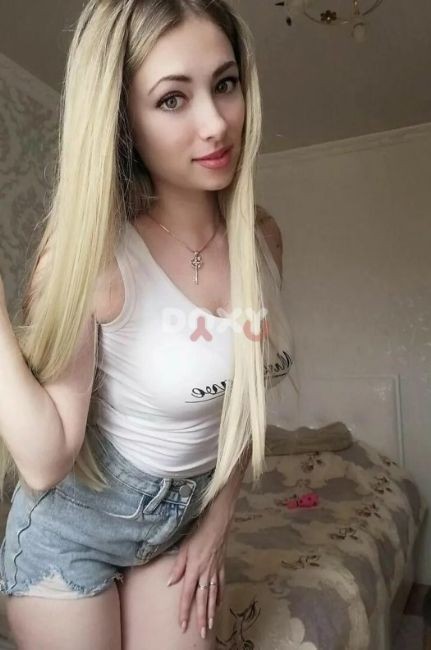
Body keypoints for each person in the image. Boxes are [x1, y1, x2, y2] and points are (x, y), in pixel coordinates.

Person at [0, 1, 297, 648]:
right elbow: (46, 461)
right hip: (73, 531)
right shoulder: (97, 259)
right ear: (123, 121)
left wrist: (216, 526)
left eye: (224, 84)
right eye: (171, 99)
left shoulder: (262, 240)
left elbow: (243, 406)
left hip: (181, 520)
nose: (215, 123)